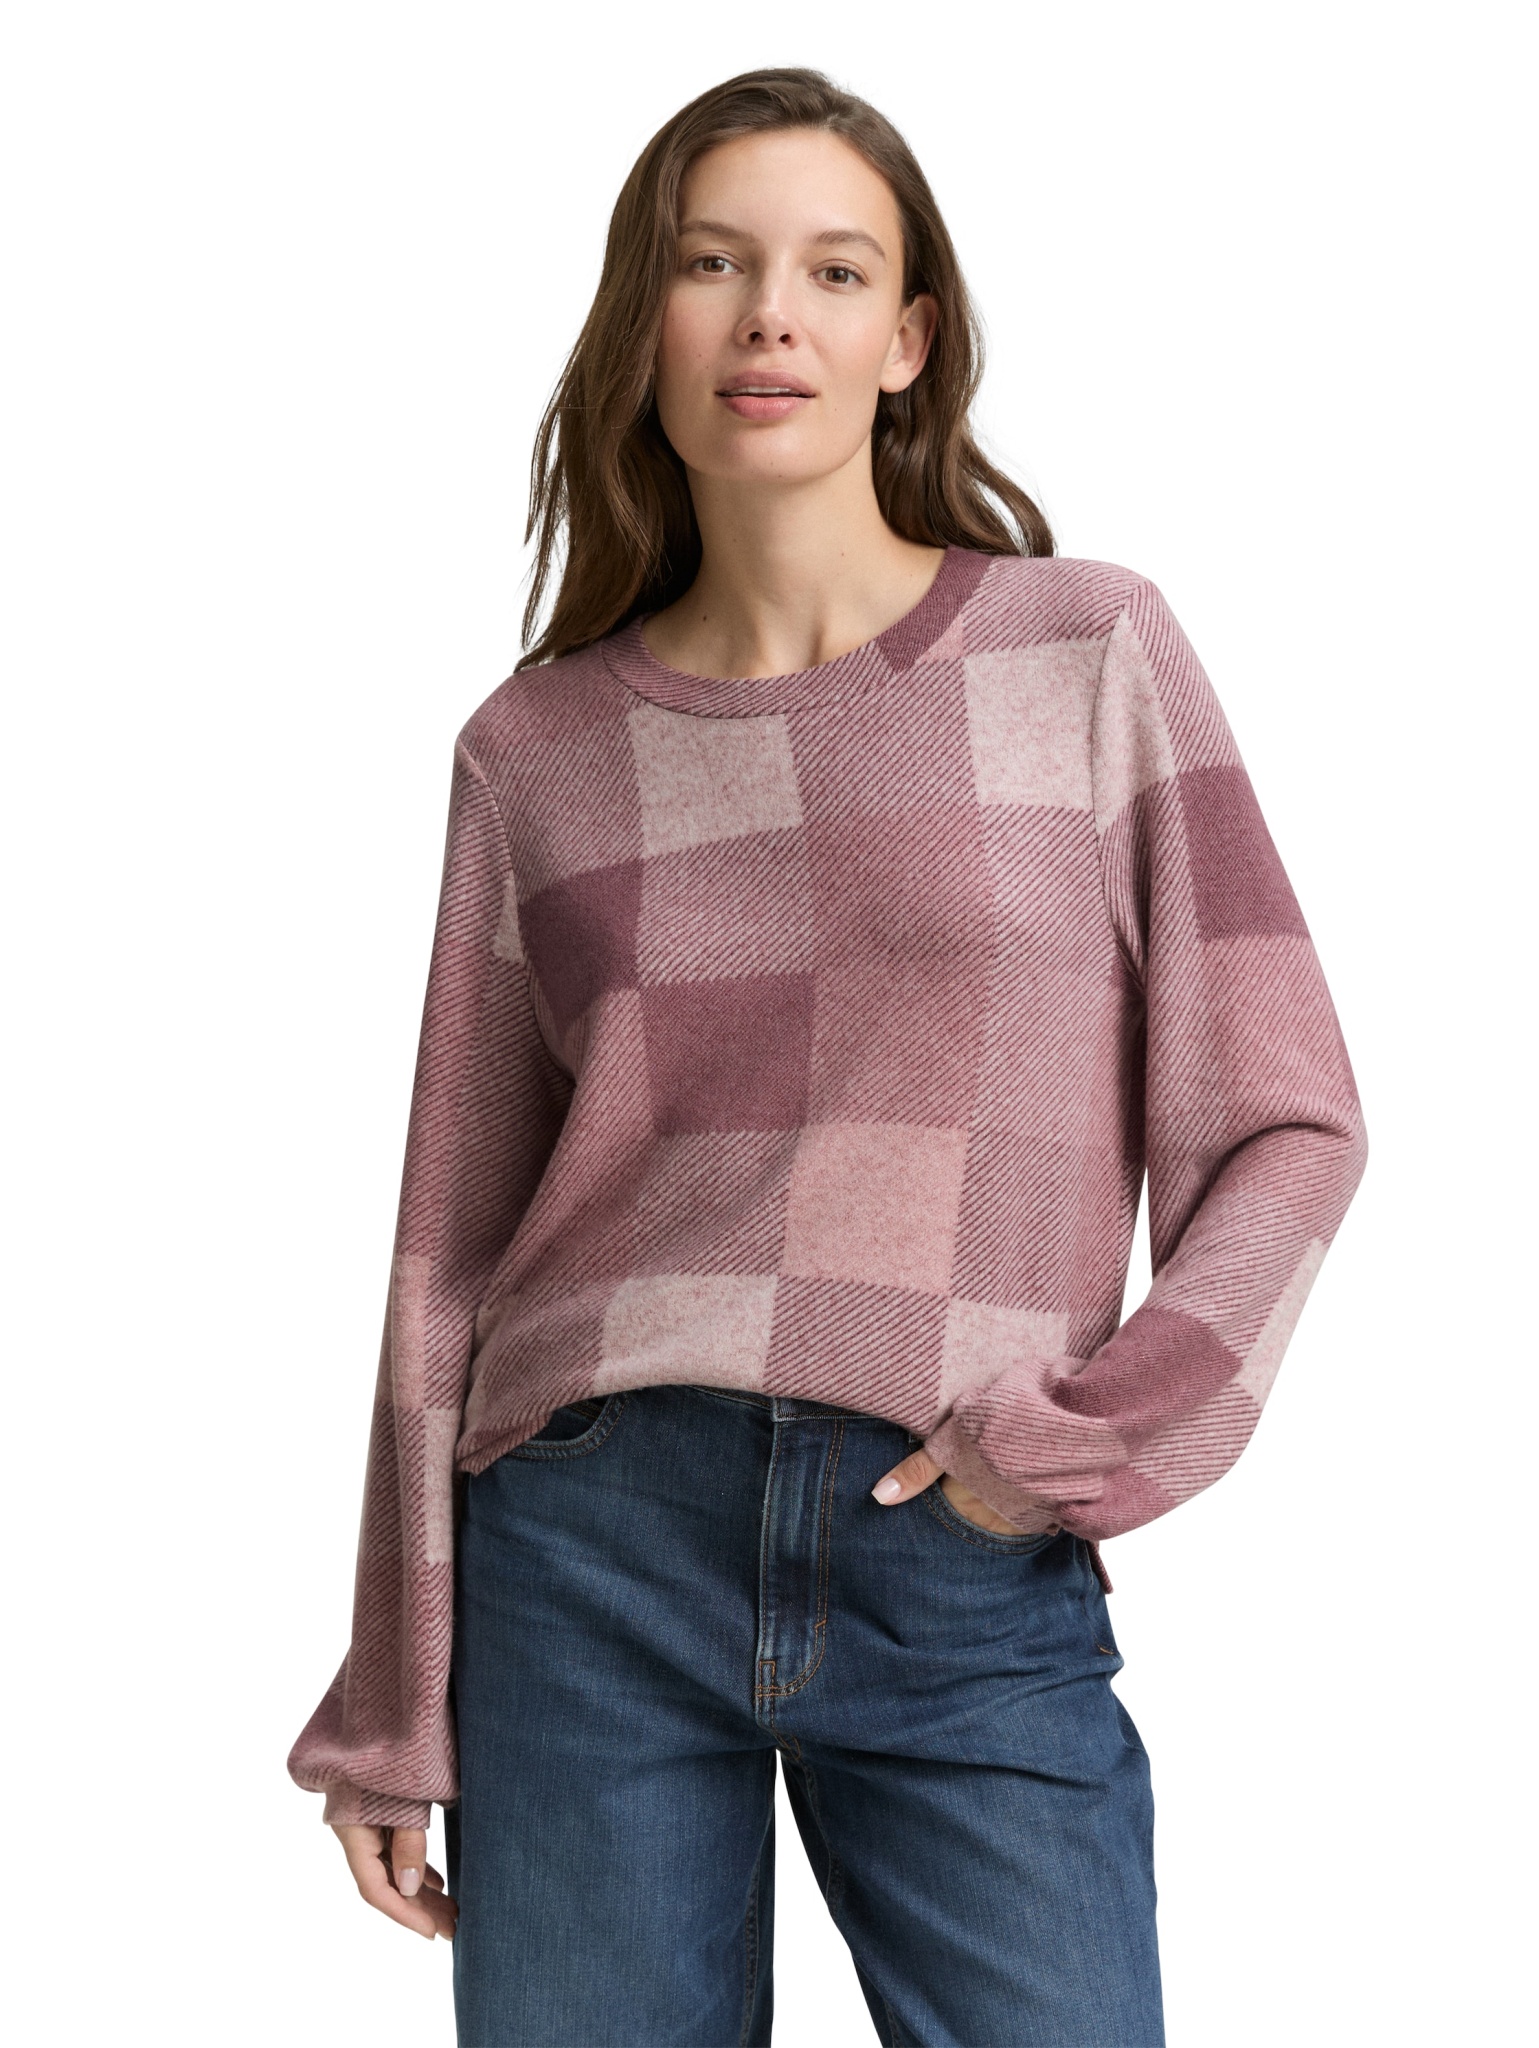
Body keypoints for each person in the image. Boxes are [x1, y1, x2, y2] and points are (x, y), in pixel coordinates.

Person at [288, 66, 1368, 2048]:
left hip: (949, 1535)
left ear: (907, 339)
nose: (769, 314)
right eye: (712, 264)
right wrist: (393, 1689)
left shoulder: (1083, 654)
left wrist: (1072, 1447)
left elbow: (1287, 1122)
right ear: (645, 322)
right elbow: (447, 1253)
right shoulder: (533, 752)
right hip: (589, 1547)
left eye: (832, 270)